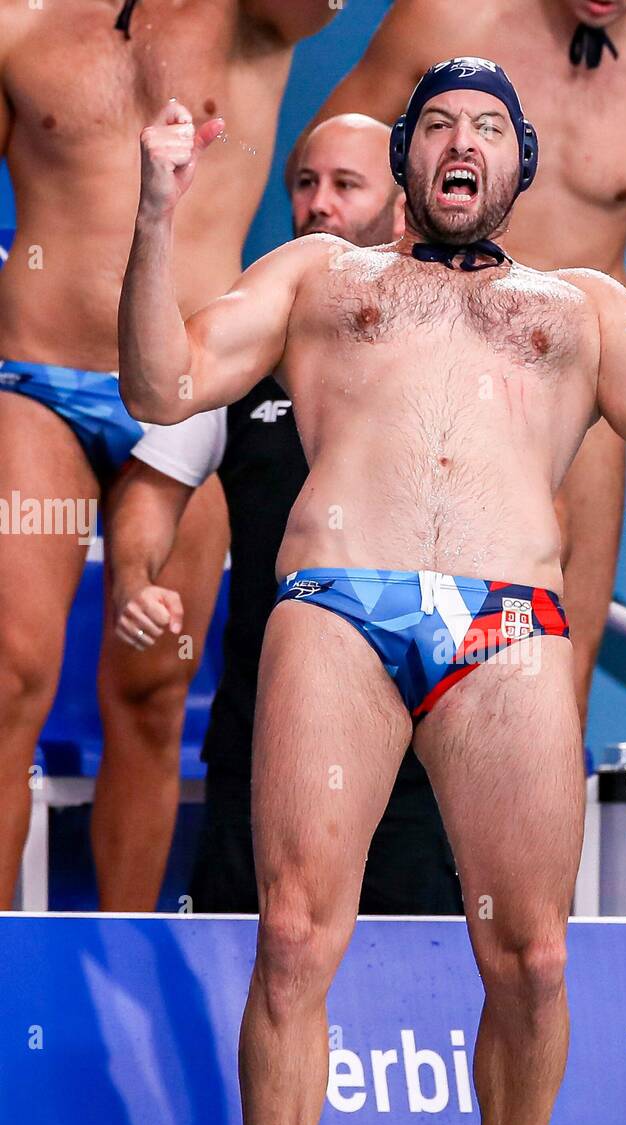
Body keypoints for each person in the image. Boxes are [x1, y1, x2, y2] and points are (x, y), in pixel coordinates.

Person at [119, 58, 626, 1125]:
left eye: (487, 126)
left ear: (517, 166)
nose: (460, 140)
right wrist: (158, 207)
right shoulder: (321, 279)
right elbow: (160, 384)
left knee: (533, 958)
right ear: (407, 164)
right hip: (338, 605)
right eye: (435, 122)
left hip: (508, 624)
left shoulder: (581, 304)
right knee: (290, 940)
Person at [293, 0, 626, 731]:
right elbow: (326, 172)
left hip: (573, 383)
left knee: (557, 680)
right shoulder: (444, 18)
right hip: (420, 357)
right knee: (369, 672)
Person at [0, 0, 339, 909]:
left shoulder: (251, 15)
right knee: (6, 680)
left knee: (154, 692)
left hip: (186, 381)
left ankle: (126, 949)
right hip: (38, 381)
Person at [112, 114, 462, 916]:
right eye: (305, 184)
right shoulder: (250, 355)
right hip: (263, 743)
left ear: (403, 205)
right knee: (255, 983)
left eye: (346, 185)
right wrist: (135, 577)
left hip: (421, 751)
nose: (319, 204)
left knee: (416, 997)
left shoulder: (458, 351)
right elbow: (149, 486)